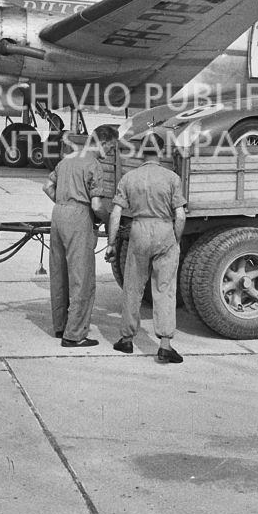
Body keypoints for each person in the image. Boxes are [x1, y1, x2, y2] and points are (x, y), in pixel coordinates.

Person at [104, 129, 187, 364]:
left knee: (133, 287)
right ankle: (165, 345)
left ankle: (127, 339)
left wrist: (111, 244)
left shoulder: (129, 178)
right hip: (164, 230)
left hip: (138, 230)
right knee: (164, 289)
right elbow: (180, 216)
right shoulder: (172, 178)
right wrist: (176, 239)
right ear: (161, 151)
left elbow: (116, 213)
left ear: (141, 152)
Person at [42, 132, 108, 347]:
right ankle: (75, 334)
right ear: (103, 143)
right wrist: (107, 219)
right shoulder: (94, 164)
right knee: (82, 277)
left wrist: (62, 202)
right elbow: (97, 205)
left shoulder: (66, 160)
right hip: (79, 217)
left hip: (58, 214)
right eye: (112, 147)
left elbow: (47, 186)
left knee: (59, 273)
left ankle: (60, 326)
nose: (111, 152)